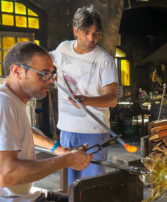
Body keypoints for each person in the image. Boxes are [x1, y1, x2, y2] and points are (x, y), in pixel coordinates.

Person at [0, 41, 93, 202]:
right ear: (17, 71)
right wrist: (67, 160)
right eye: (43, 74)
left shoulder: (13, 100)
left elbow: (24, 130)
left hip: (24, 195)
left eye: (51, 74)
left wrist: (58, 149)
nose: (50, 80)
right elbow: (6, 174)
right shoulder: (4, 104)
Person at [50, 5, 118, 186]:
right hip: (67, 129)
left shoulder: (105, 60)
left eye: (95, 34)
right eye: (86, 32)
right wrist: (46, 74)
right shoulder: (63, 49)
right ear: (75, 30)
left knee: (91, 185)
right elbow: (45, 62)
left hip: (94, 132)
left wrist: (86, 100)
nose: (91, 38)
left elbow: (112, 99)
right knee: (69, 184)